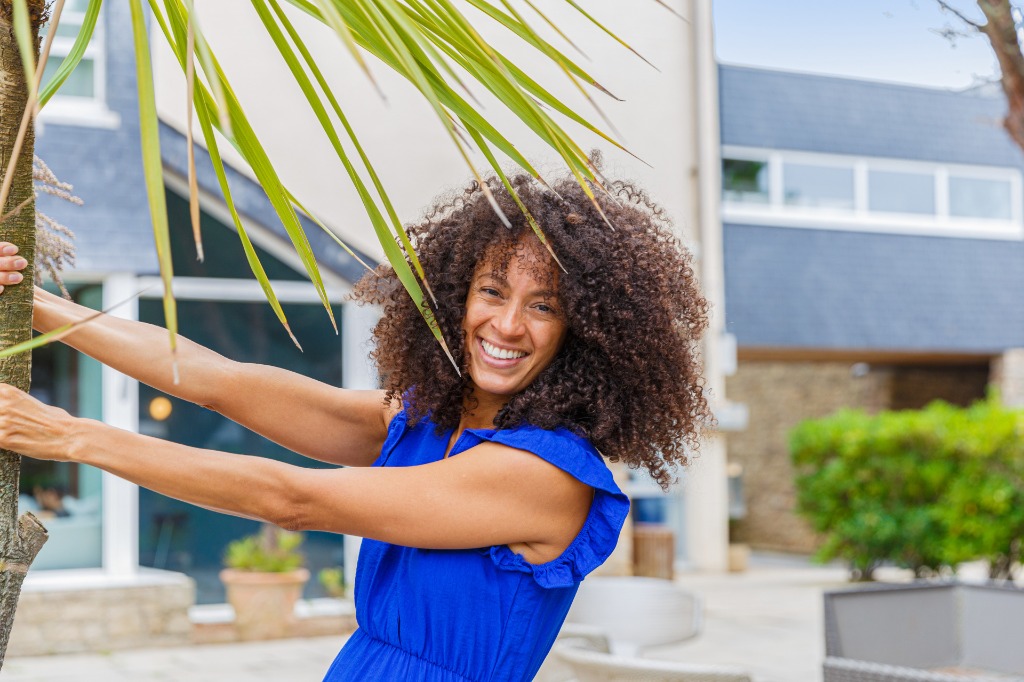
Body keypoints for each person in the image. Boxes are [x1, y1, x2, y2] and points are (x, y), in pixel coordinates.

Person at [0, 169, 711, 681]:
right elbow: (220, 382)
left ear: (583, 332)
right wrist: (35, 307)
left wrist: (70, 436)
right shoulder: (426, 423)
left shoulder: (545, 473)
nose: (506, 324)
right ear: (453, 297)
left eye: (543, 306)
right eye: (491, 292)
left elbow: (294, 500)